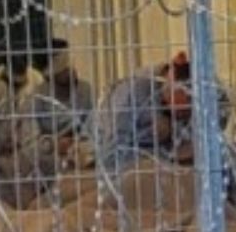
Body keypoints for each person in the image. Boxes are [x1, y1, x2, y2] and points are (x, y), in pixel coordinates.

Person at [93, 52, 228, 168]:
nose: (187, 112)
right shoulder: (133, 94)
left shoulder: (204, 93)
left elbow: (221, 112)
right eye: (187, 100)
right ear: (171, 81)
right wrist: (161, 151)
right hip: (126, 167)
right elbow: (110, 158)